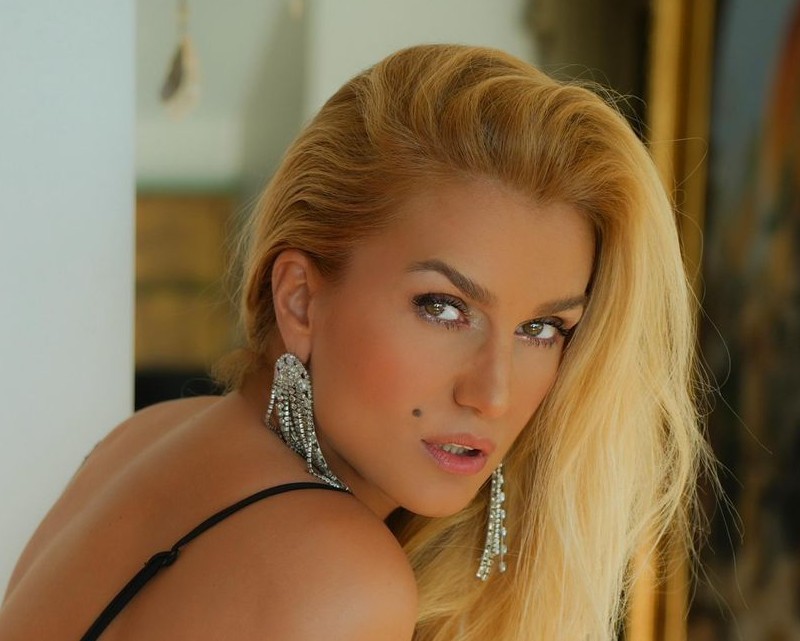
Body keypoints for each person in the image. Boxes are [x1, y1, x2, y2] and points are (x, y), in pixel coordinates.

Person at [0, 44, 709, 640]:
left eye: (541, 329)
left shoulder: (146, 440)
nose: (492, 393)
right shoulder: (339, 575)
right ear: (300, 299)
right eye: (444, 308)